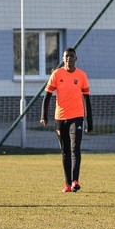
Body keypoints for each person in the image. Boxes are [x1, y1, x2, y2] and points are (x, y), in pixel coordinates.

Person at [40, 48, 93, 193]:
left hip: (77, 117)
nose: (68, 58)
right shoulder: (57, 74)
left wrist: (90, 121)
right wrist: (44, 116)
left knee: (75, 148)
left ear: (76, 58)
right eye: (66, 56)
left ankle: (75, 181)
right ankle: (67, 184)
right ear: (63, 59)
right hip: (60, 118)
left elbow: (87, 99)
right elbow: (47, 96)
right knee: (65, 151)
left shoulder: (82, 75)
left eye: (71, 56)